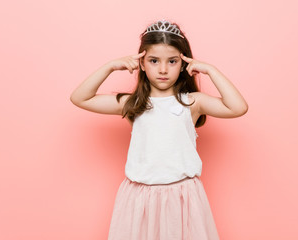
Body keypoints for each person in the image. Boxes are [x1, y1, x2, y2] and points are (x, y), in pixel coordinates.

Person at [70, 19, 248, 240]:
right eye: (154, 61)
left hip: (182, 198)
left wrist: (211, 71)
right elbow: (80, 98)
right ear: (142, 63)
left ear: (183, 64)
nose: (163, 69)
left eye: (172, 61)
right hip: (140, 198)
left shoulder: (191, 102)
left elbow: (238, 107)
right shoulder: (133, 104)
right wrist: (110, 66)